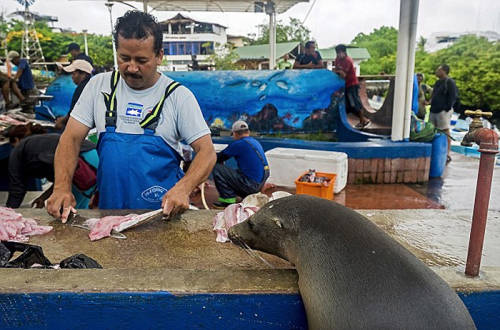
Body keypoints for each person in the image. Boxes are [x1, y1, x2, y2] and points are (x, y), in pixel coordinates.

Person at [46, 10, 215, 222]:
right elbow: (70, 138)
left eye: (141, 60)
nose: (132, 68)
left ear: (159, 55)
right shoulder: (98, 86)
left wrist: (184, 188)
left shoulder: (178, 96)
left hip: (161, 216)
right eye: (124, 58)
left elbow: (207, 151)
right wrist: (62, 187)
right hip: (110, 216)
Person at [6, 130, 98, 209]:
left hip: (82, 163)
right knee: (92, 206)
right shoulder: (37, 144)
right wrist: (44, 197)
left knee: (73, 211)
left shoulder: (17, 151)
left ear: (16, 140)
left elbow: (17, 189)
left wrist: (8, 214)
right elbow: (59, 180)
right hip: (95, 155)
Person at [212, 120, 269, 208]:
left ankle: (227, 200)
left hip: (251, 185)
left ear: (235, 134)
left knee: (217, 168)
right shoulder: (254, 142)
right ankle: (242, 195)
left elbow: (219, 158)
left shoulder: (239, 144)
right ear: (248, 132)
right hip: (259, 184)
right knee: (236, 172)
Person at [333, 44, 370, 128]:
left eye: (339, 53)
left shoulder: (348, 61)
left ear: (344, 52)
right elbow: (336, 70)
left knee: (355, 103)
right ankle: (360, 120)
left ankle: (363, 120)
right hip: (344, 85)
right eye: (337, 53)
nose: (338, 55)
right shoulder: (337, 59)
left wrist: (337, 71)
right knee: (347, 105)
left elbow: (343, 75)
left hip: (352, 85)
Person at [54, 60, 93, 130]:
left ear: (83, 74)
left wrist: (61, 121)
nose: (72, 77)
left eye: (74, 74)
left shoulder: (82, 88)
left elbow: (74, 114)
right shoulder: (90, 84)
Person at [430, 64, 457, 163]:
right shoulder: (437, 82)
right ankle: (435, 151)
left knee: (445, 131)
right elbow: (434, 95)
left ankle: (447, 153)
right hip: (433, 110)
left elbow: (453, 96)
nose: (436, 71)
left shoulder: (449, 82)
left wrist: (446, 108)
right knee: (432, 131)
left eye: (438, 69)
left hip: (443, 111)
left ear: (444, 71)